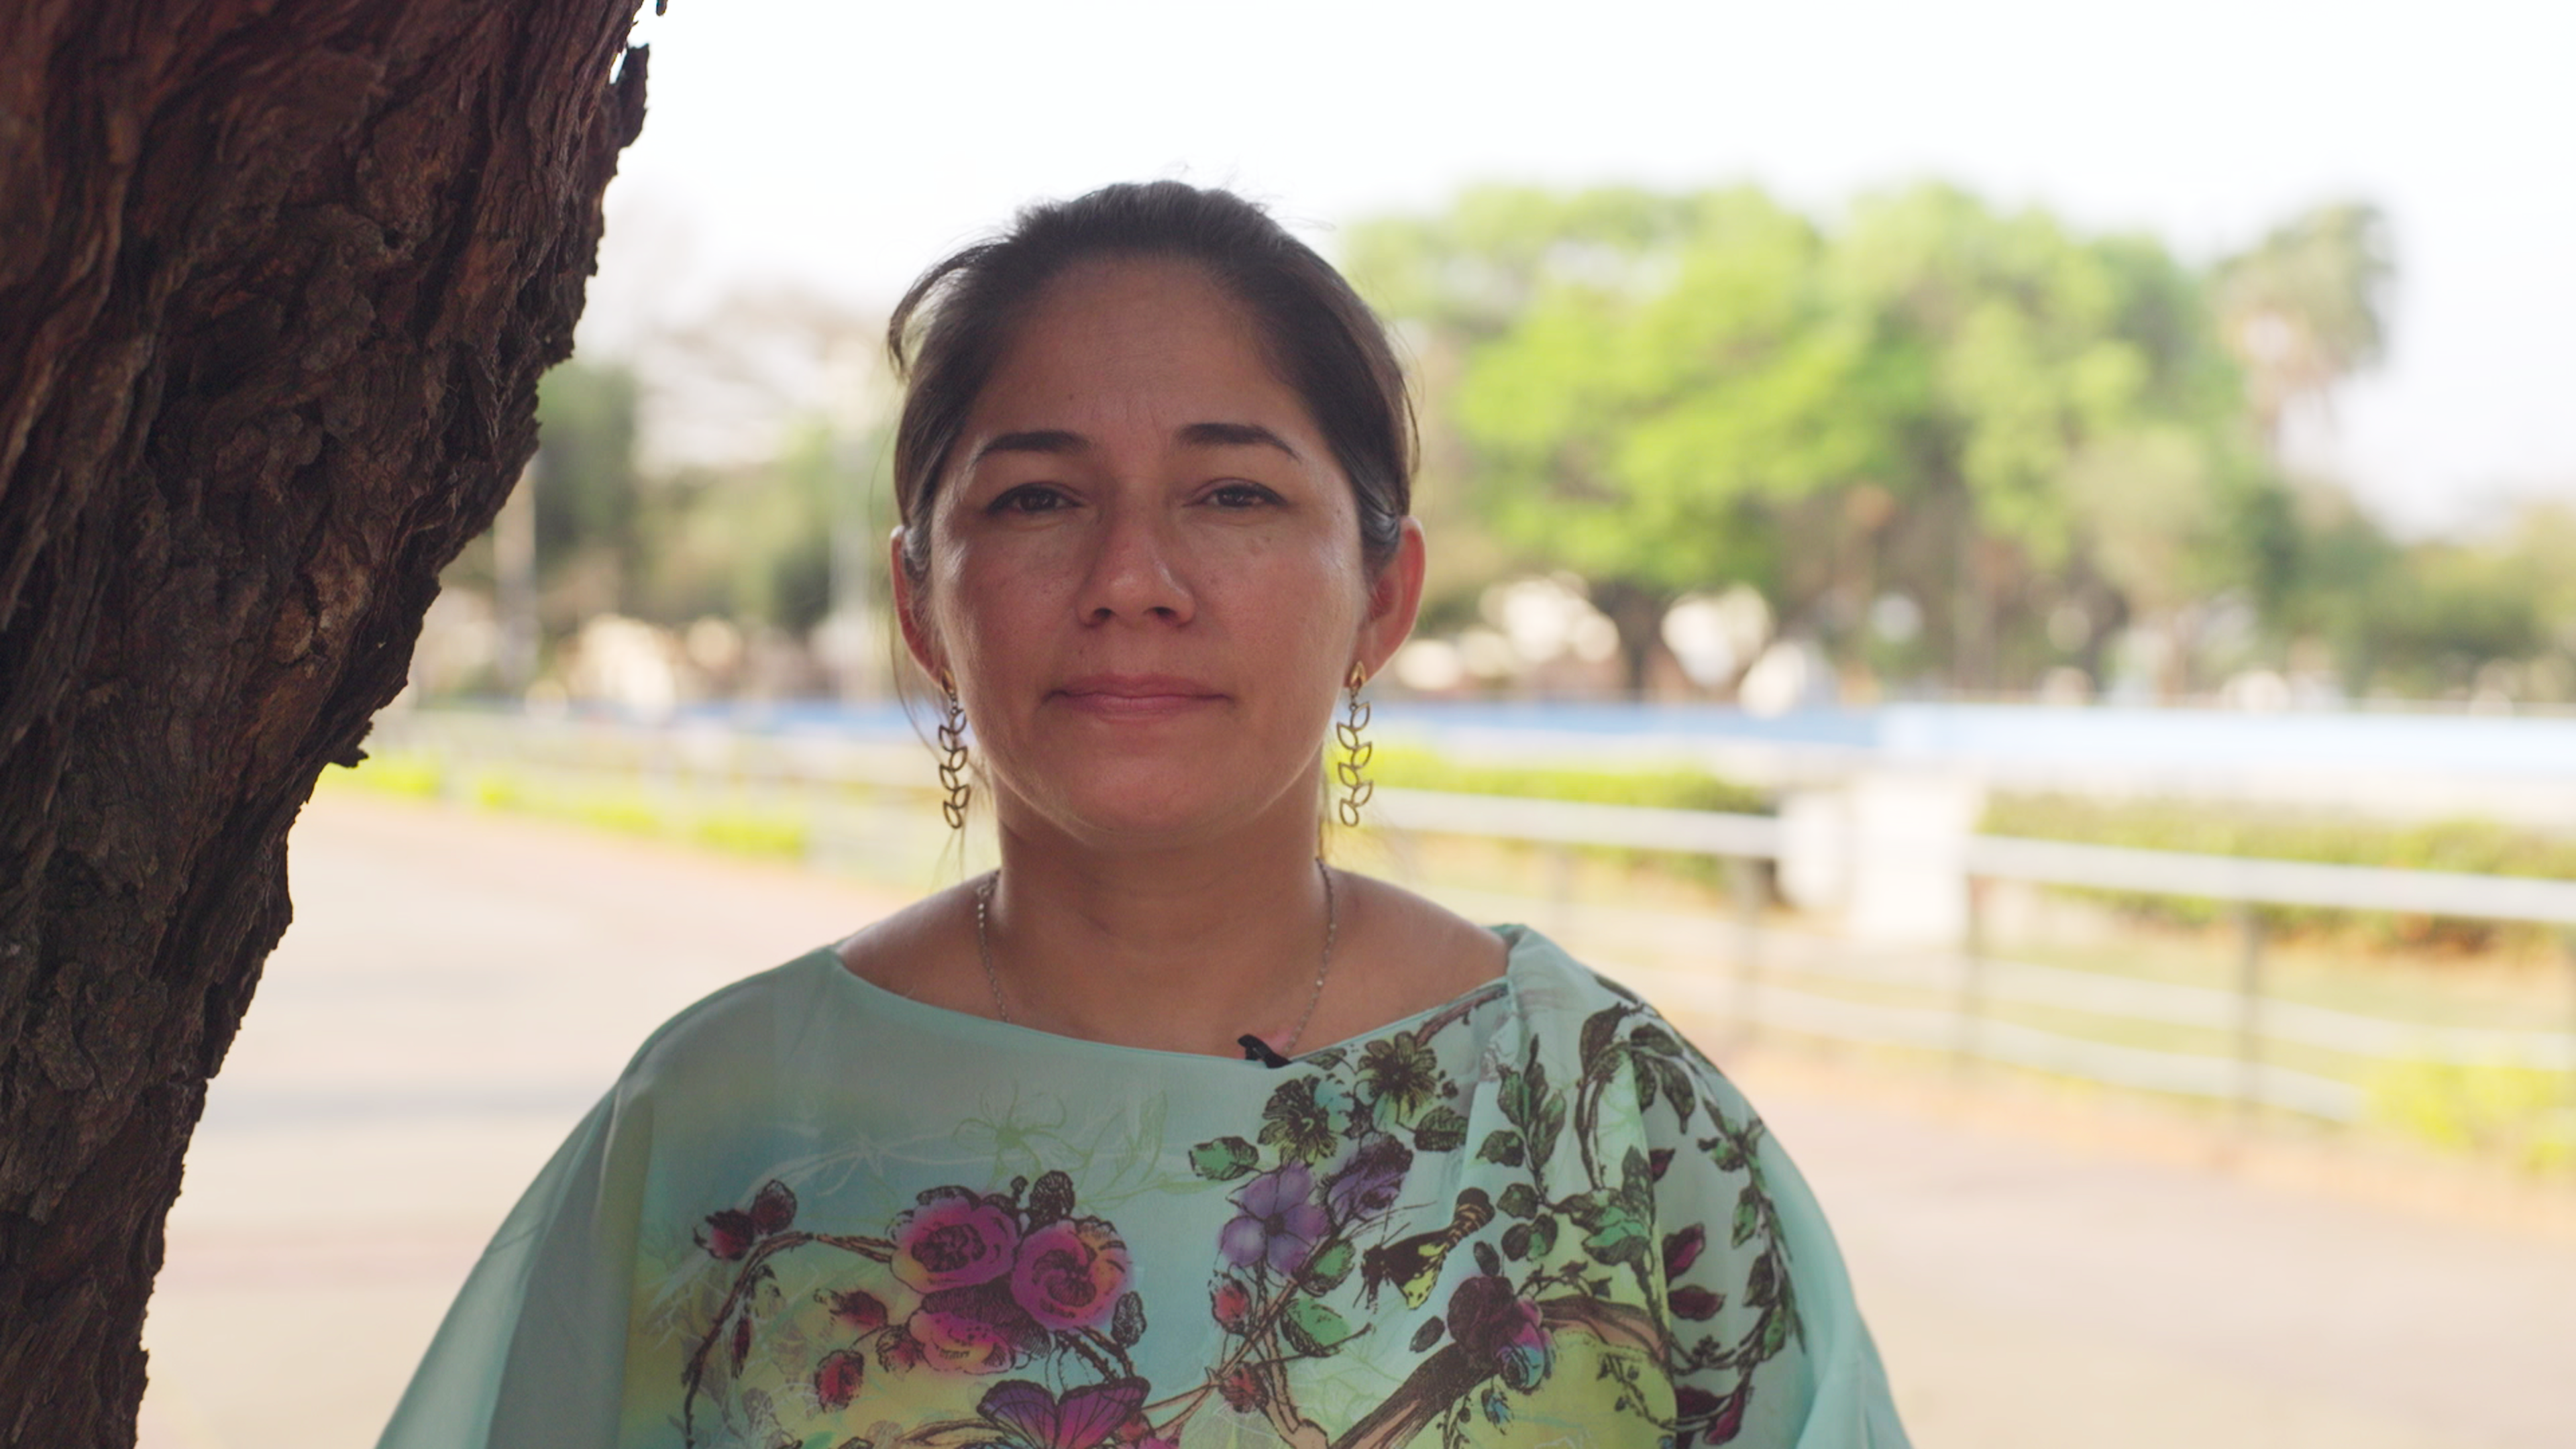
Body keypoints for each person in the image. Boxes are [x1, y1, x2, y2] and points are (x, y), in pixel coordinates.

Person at [378, 181, 1910, 1449]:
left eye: (1232, 497)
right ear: (923, 599)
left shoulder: (1606, 1119)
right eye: (1039, 499)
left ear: (1383, 595)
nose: (1131, 578)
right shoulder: (726, 1122)